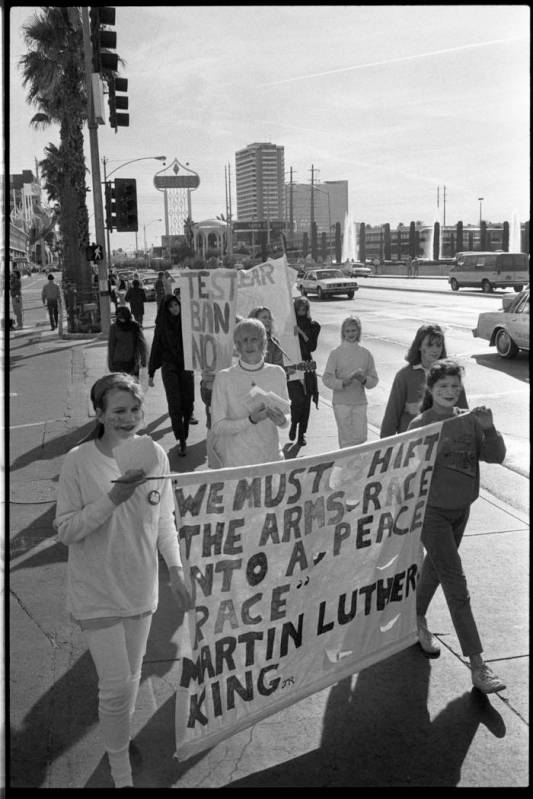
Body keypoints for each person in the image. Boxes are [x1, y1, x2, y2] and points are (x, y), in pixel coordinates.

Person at [54, 373, 190, 788]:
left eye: (134, 409)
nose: (128, 418)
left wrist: (176, 571)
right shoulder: (79, 460)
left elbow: (164, 519)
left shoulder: (156, 456)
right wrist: (114, 497)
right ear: (100, 414)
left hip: (140, 588)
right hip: (96, 591)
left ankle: (117, 735)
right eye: (118, 411)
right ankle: (121, 771)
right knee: (115, 688)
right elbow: (66, 530)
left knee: (129, 680)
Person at [407, 358, 507, 694]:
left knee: (435, 571)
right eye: (443, 387)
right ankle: (478, 666)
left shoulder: (469, 421)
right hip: (432, 515)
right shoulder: (421, 425)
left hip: (461, 511)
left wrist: (489, 427)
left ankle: (415, 619)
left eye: (454, 386)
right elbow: (407, 472)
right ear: (431, 390)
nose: (450, 392)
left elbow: (495, 457)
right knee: (456, 584)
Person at [210, 318, 290, 467]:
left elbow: (287, 414)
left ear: (263, 343)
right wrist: (250, 420)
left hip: (271, 459)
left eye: (254, 339)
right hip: (238, 462)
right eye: (244, 340)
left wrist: (283, 421)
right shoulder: (224, 377)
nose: (249, 344)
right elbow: (217, 426)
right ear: (237, 345)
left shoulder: (277, 373)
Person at [380, 323, 468, 438]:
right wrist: (386, 448)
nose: (435, 349)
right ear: (419, 346)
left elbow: (464, 412)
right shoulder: (404, 375)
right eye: (430, 345)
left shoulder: (451, 374)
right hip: (413, 441)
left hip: (445, 439)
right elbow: (392, 414)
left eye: (438, 345)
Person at [148, 294, 194, 457]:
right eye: (171, 306)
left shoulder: (188, 323)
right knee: (175, 403)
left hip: (186, 366)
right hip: (169, 367)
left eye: (177, 305)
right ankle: (181, 439)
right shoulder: (161, 326)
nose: (175, 308)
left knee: (188, 403)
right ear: (166, 309)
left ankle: (185, 431)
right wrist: (151, 372)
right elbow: (155, 348)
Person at [322, 315, 379, 447]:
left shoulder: (366, 353)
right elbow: (327, 378)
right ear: (343, 333)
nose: (351, 334)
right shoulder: (335, 353)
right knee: (346, 440)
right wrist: (342, 383)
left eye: (353, 330)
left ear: (358, 331)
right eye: (347, 331)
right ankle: (346, 467)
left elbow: (374, 380)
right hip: (341, 403)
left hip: (359, 402)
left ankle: (358, 467)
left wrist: (364, 379)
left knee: (361, 439)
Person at [289, 297, 321, 445]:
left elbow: (312, 347)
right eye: (299, 308)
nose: (302, 310)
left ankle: (302, 434)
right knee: (297, 400)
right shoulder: (288, 325)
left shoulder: (313, 325)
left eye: (304, 308)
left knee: (307, 400)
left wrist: (301, 333)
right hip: (293, 363)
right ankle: (294, 423)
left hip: (307, 364)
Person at [107, 306, 147, 378]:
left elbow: (141, 344)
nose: (121, 319)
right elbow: (111, 345)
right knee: (121, 385)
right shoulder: (114, 327)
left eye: (123, 317)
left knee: (133, 385)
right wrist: (110, 363)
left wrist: (144, 359)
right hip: (118, 362)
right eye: (119, 317)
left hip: (132, 361)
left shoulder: (135, 326)